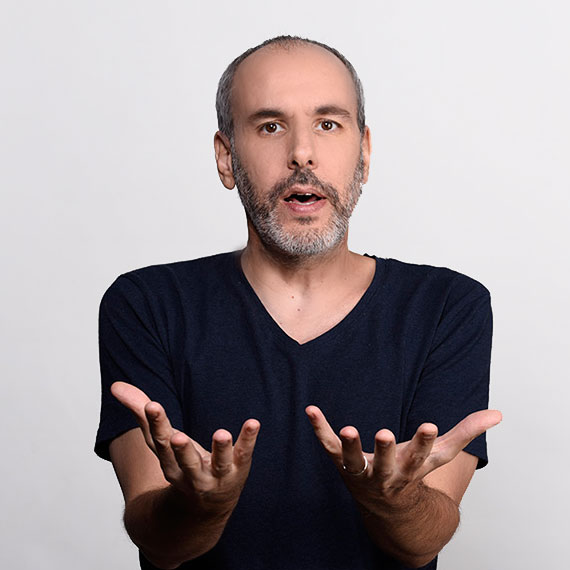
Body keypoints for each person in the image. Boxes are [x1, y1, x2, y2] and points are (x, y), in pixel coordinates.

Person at [95, 36, 501, 570]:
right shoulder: (146, 306)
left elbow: (423, 542)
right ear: (226, 158)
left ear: (364, 153)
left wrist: (393, 499)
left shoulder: (448, 307)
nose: (302, 152)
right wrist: (201, 508)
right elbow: (160, 544)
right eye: (270, 126)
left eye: (328, 124)